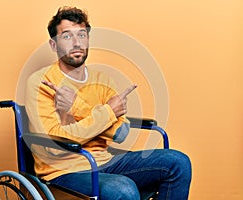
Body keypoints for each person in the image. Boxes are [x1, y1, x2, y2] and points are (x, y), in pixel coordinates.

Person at [25, 6, 191, 200]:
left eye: (82, 35)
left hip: (106, 162)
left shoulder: (102, 81)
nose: (77, 42)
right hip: (63, 170)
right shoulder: (41, 82)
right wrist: (108, 112)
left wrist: (77, 108)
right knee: (123, 189)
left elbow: (121, 133)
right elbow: (54, 146)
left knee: (179, 162)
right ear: (54, 44)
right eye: (67, 36)